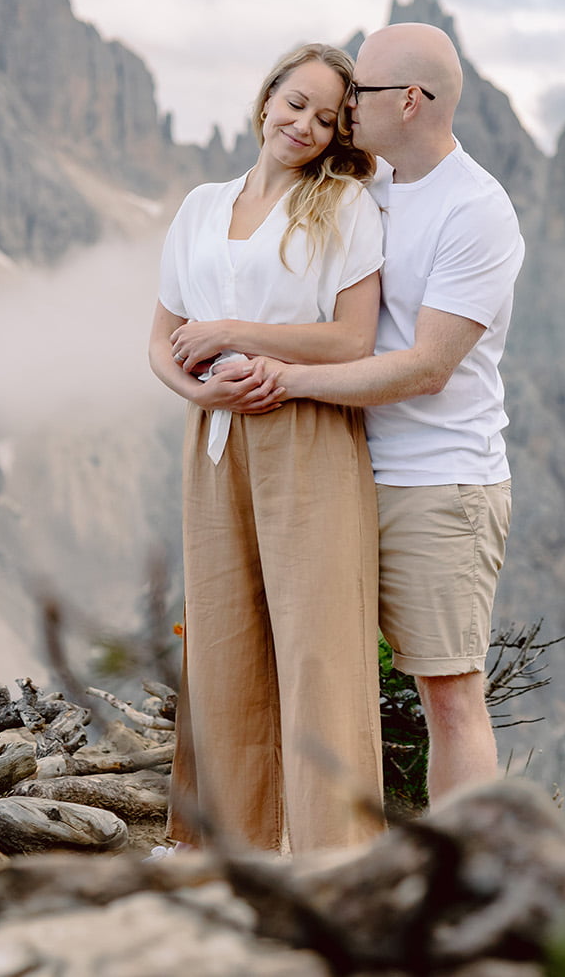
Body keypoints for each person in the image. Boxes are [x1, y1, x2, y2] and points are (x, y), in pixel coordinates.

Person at [229, 22, 525, 805]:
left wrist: (287, 381)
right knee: (323, 678)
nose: (345, 104)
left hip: (438, 485)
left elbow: (427, 368)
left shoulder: (478, 211)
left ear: (412, 100)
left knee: (449, 697)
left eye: (358, 91)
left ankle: (469, 881)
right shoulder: (372, 188)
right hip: (348, 470)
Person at [149, 42, 388, 852]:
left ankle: (336, 862)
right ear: (265, 101)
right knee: (222, 650)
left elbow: (353, 340)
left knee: (320, 651)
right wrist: (199, 388)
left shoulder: (344, 206)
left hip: (308, 432)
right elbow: (161, 339)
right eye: (296, 104)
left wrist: (236, 336)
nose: (305, 126)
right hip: (213, 439)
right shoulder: (201, 207)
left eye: (327, 118)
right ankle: (227, 856)